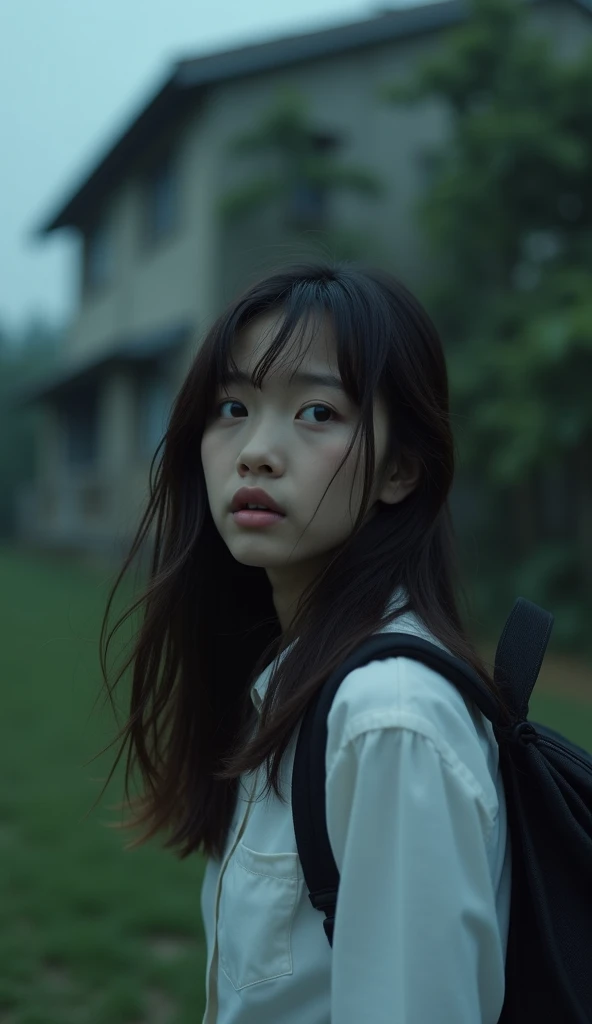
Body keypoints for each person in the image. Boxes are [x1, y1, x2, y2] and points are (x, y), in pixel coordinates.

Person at [99, 261, 512, 1024]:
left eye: (317, 412)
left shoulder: (387, 720)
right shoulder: (291, 674)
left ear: (400, 470)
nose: (255, 450)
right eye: (232, 405)